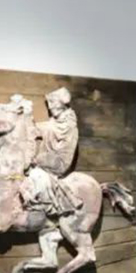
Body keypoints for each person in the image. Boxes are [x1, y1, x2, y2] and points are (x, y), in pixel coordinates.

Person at [19, 87, 83, 217]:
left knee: (33, 171)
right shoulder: (53, 123)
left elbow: (65, 154)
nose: (50, 107)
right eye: (49, 104)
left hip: (59, 162)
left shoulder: (69, 126)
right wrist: (26, 114)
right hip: (47, 159)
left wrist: (38, 159)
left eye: (53, 104)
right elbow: (36, 129)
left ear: (62, 105)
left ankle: (42, 206)